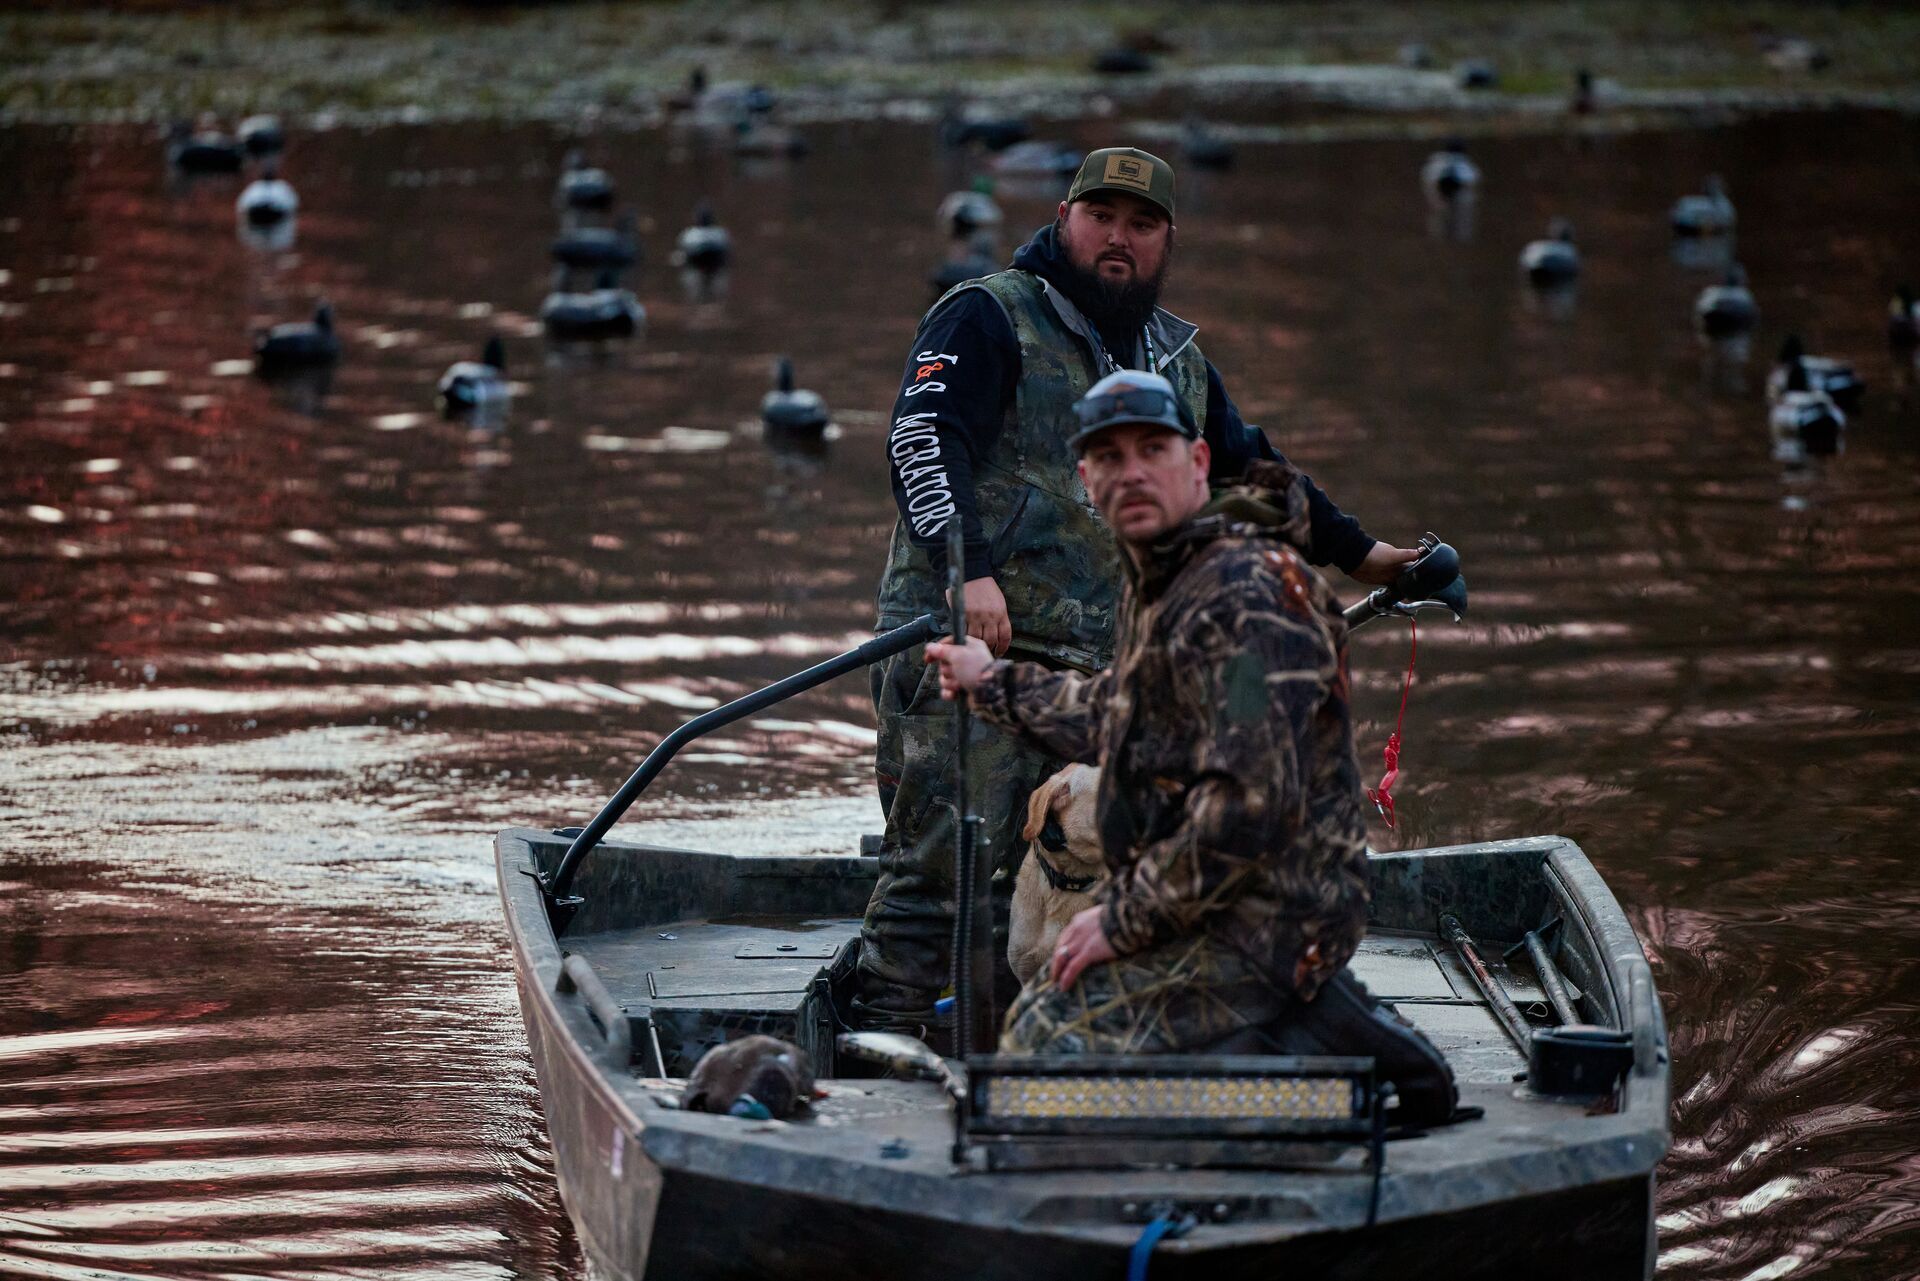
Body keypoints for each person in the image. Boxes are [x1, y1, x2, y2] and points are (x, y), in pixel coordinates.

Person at [855, 145, 1418, 1036]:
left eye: (1142, 224)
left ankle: (1031, 1046)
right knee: (943, 876)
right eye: (1102, 217)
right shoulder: (989, 316)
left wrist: (1370, 557)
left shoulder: (1175, 357)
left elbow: (1253, 469)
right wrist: (970, 574)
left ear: (1166, 239)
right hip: (968, 647)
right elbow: (920, 440)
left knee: (1085, 872)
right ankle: (884, 1045)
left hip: (1096, 681)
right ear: (1066, 219)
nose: (1119, 239)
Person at [924, 369, 1368, 1053]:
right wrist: (991, 683)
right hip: (1198, 900)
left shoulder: (1250, 595)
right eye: (1109, 457)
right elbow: (1123, 715)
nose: (1130, 473)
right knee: (1045, 1005)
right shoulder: (1165, 582)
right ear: (1086, 479)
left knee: (1043, 1046)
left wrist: (1120, 923)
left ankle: (1320, 1029)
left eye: (1151, 450)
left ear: (1196, 463)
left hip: (1271, 924)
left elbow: (1249, 804)